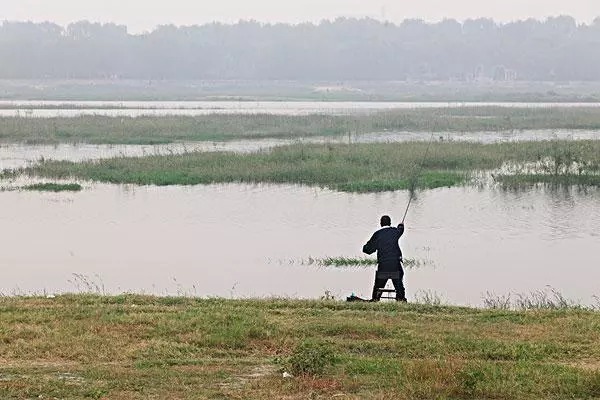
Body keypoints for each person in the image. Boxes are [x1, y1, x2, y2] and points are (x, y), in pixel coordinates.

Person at [362, 215, 407, 302]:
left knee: (378, 285)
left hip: (383, 268)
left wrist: (364, 247)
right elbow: (400, 230)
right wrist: (401, 226)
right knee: (399, 281)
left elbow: (368, 250)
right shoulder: (395, 232)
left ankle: (375, 299)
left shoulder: (377, 234)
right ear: (390, 223)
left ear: (380, 224)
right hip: (395, 267)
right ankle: (401, 298)